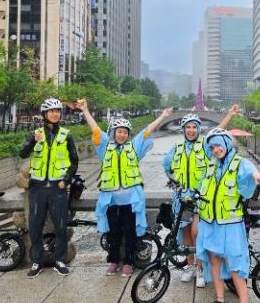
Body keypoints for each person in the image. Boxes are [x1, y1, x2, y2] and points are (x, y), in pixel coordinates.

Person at [77, 101, 172, 277]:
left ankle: (128, 262)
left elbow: (147, 132)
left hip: (131, 199)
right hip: (111, 198)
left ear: (128, 134)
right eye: (119, 131)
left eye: (125, 132)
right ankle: (113, 261)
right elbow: (96, 130)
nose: (122, 135)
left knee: (130, 231)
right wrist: (85, 110)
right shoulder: (105, 148)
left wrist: (163, 116)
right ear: (114, 133)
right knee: (113, 231)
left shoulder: (134, 148)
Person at [162, 105, 239, 287]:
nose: (191, 130)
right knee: (186, 233)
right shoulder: (176, 148)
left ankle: (200, 268)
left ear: (198, 129)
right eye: (188, 127)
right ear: (183, 130)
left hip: (200, 198)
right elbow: (166, 166)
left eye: (194, 127)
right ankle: (189, 266)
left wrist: (229, 115)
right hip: (182, 197)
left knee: (198, 233)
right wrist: (173, 180)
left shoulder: (205, 146)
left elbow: (216, 131)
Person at [197, 128, 260, 303]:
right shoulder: (211, 165)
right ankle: (220, 299)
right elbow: (201, 187)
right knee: (214, 259)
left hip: (230, 223)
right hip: (209, 221)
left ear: (227, 144)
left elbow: (250, 172)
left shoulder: (240, 163)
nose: (215, 150)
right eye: (212, 147)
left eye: (218, 145)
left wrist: (256, 176)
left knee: (235, 263)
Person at [19, 97, 79, 278]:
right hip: (37, 188)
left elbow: (74, 161)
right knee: (35, 226)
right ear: (44, 114)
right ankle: (36, 261)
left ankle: (60, 260)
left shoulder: (66, 135)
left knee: (60, 226)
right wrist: (33, 141)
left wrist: (66, 181)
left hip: (57, 188)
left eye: (57, 111)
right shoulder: (36, 133)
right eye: (51, 111)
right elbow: (22, 153)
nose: (55, 114)